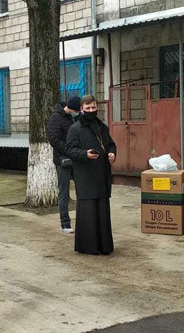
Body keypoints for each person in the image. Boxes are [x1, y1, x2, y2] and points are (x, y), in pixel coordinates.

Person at [66, 95, 116, 255]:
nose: (91, 110)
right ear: (81, 109)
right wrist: (84, 154)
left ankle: (104, 246)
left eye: (93, 107)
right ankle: (88, 247)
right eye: (88, 108)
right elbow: (70, 150)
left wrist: (112, 153)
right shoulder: (75, 129)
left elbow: (111, 144)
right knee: (88, 212)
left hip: (101, 175)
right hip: (85, 176)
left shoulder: (102, 127)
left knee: (102, 211)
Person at [47, 96, 81, 234]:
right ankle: (65, 223)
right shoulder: (56, 118)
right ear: (71, 108)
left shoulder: (76, 118)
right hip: (63, 160)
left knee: (82, 190)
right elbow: (54, 140)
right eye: (77, 111)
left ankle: (83, 220)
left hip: (77, 159)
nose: (78, 113)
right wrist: (69, 151)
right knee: (64, 192)